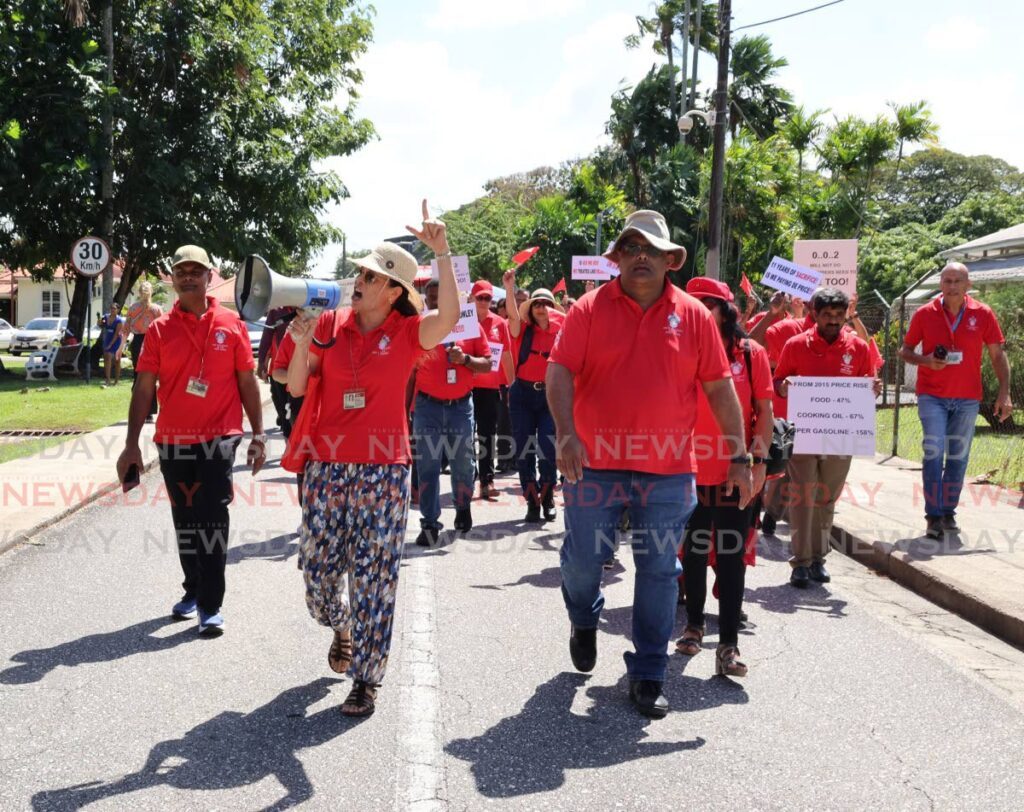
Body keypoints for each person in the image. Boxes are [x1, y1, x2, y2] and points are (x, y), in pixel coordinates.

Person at [547, 210, 752, 718]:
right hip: (592, 464)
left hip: (668, 471)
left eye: (652, 249)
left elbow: (720, 389)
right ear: (616, 258)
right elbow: (559, 371)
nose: (641, 256)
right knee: (581, 561)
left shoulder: (696, 316)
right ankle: (584, 617)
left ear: (669, 260)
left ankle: (648, 672)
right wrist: (567, 434)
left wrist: (740, 455)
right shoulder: (588, 310)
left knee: (660, 570)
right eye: (631, 247)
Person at [284, 201, 459, 718]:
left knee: (375, 579)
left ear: (394, 291)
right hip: (327, 469)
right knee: (317, 578)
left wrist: (442, 253)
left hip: (384, 470)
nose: (359, 280)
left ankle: (366, 678)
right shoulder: (332, 326)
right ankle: (340, 627)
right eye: (359, 272)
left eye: (372, 275)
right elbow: (295, 385)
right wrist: (300, 341)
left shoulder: (407, 334)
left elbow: (448, 316)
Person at [116, 245, 267, 636]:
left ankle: (210, 605)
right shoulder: (160, 329)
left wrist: (257, 433)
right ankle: (193, 589)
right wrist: (132, 444)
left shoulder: (230, 323)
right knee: (186, 519)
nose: (187, 277)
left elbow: (246, 382)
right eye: (180, 271)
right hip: (173, 440)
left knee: (212, 515)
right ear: (173, 277)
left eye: (194, 271)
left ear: (208, 276)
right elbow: (144, 388)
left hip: (220, 438)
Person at [675, 278, 773, 679]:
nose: (698, 311)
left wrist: (758, 463)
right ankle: (694, 626)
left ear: (726, 310)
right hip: (686, 473)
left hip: (736, 473)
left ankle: (728, 645)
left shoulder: (752, 355)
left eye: (707, 305)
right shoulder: (677, 352)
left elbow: (764, 412)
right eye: (691, 304)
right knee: (693, 554)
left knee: (732, 560)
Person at [774, 288, 881, 588]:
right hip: (805, 435)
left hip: (841, 437)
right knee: (802, 496)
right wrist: (784, 387)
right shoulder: (796, 345)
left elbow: (868, 382)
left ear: (846, 313)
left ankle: (819, 558)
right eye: (827, 315)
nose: (833, 320)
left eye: (838, 314)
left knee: (826, 497)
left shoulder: (859, 348)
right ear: (814, 315)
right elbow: (778, 381)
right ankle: (800, 562)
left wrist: (872, 389)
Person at [899, 262, 1012, 539]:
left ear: (967, 285)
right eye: (946, 281)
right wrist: (926, 361)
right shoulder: (925, 313)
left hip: (967, 397)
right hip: (932, 395)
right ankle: (933, 515)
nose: (951, 286)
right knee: (934, 452)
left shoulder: (982, 313)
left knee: (958, 457)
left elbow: (998, 356)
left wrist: (1004, 391)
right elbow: (905, 350)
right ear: (940, 284)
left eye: (957, 281)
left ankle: (948, 511)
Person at [412, 289, 492, 546]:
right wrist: (403, 410)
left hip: (460, 407)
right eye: (433, 297)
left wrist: (466, 359)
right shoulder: (421, 328)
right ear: (427, 300)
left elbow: (488, 364)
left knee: (463, 463)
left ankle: (462, 506)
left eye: (442, 296)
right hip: (427, 407)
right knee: (427, 465)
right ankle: (429, 523)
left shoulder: (469, 326)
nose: (438, 301)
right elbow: (410, 372)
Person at [503, 273, 565, 523]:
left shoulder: (564, 331)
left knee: (548, 449)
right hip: (523, 395)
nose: (542, 308)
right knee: (524, 449)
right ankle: (532, 501)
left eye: (547, 304)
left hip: (550, 397)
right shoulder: (522, 331)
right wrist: (509, 288)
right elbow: (512, 317)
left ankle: (548, 497)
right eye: (537, 303)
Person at [470, 280, 514, 501]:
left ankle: (486, 481)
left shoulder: (499, 323)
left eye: (488, 298)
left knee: (487, 436)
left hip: (489, 388)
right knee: (465, 436)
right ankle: (468, 478)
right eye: (480, 298)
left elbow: (506, 356)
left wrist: (512, 387)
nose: (484, 302)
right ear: (472, 298)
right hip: (465, 387)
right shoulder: (461, 321)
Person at [258, 306, 299, 437]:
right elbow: (267, 335)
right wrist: (261, 363)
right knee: (280, 404)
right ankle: (288, 436)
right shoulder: (276, 311)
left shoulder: (309, 308)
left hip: (301, 369)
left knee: (296, 410)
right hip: (280, 370)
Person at [125, 280, 163, 418]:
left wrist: (119, 349)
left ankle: (137, 409)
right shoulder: (157, 309)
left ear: (139, 292)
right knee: (151, 376)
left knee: (137, 376)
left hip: (137, 343)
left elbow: (125, 330)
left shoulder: (132, 308)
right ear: (151, 292)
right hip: (152, 343)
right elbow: (163, 331)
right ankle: (150, 411)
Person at [100, 303, 126, 385]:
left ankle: (116, 381)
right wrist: (99, 323)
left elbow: (116, 334)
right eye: (111, 308)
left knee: (117, 361)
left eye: (114, 308)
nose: (112, 310)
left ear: (118, 310)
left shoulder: (119, 320)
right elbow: (102, 325)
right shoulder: (105, 317)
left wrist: (111, 344)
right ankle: (107, 380)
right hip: (108, 338)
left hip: (117, 340)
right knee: (107, 358)